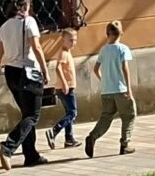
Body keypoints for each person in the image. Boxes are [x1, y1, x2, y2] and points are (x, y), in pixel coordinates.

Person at [0, 0, 49, 169]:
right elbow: (37, 47)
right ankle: (8, 147)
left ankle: (31, 155)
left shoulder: (4, 27)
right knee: (33, 115)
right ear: (26, 6)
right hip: (28, 72)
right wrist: (45, 70)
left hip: (11, 73)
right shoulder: (29, 22)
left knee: (26, 113)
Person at [84, 20, 138, 157]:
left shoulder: (103, 50)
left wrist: (104, 81)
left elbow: (96, 69)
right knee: (129, 115)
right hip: (120, 89)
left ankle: (92, 136)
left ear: (107, 34)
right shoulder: (123, 49)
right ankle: (125, 144)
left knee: (106, 117)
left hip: (107, 90)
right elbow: (124, 68)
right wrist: (129, 89)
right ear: (121, 33)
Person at [45, 37, 79, 149]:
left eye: (75, 40)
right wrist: (65, 83)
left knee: (69, 112)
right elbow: (58, 68)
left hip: (65, 87)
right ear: (63, 41)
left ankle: (69, 139)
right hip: (66, 88)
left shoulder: (66, 53)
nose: (73, 42)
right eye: (70, 40)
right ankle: (54, 130)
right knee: (73, 113)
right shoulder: (64, 53)